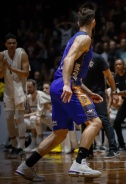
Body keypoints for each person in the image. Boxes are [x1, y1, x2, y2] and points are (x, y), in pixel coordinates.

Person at [15, 7, 103, 182]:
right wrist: (67, 85)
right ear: (94, 22)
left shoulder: (74, 38)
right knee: (95, 122)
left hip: (59, 86)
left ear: (78, 23)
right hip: (66, 86)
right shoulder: (85, 38)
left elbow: (72, 70)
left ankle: (27, 165)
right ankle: (80, 162)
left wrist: (88, 92)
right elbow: (69, 61)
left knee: (60, 133)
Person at [82, 51, 120, 158]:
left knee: (104, 120)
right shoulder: (77, 59)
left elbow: (108, 75)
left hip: (98, 94)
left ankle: (113, 148)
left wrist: (114, 91)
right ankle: (87, 150)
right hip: (84, 95)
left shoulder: (97, 58)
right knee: (85, 122)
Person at [0, 33, 30, 158]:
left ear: (16, 44)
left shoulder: (22, 53)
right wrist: (4, 66)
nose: (11, 45)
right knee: (8, 118)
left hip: (20, 90)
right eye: (9, 43)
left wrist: (10, 67)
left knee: (19, 118)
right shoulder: (2, 55)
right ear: (6, 45)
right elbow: (1, 76)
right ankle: (13, 145)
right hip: (8, 91)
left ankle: (21, 146)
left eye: (14, 43)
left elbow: (26, 73)